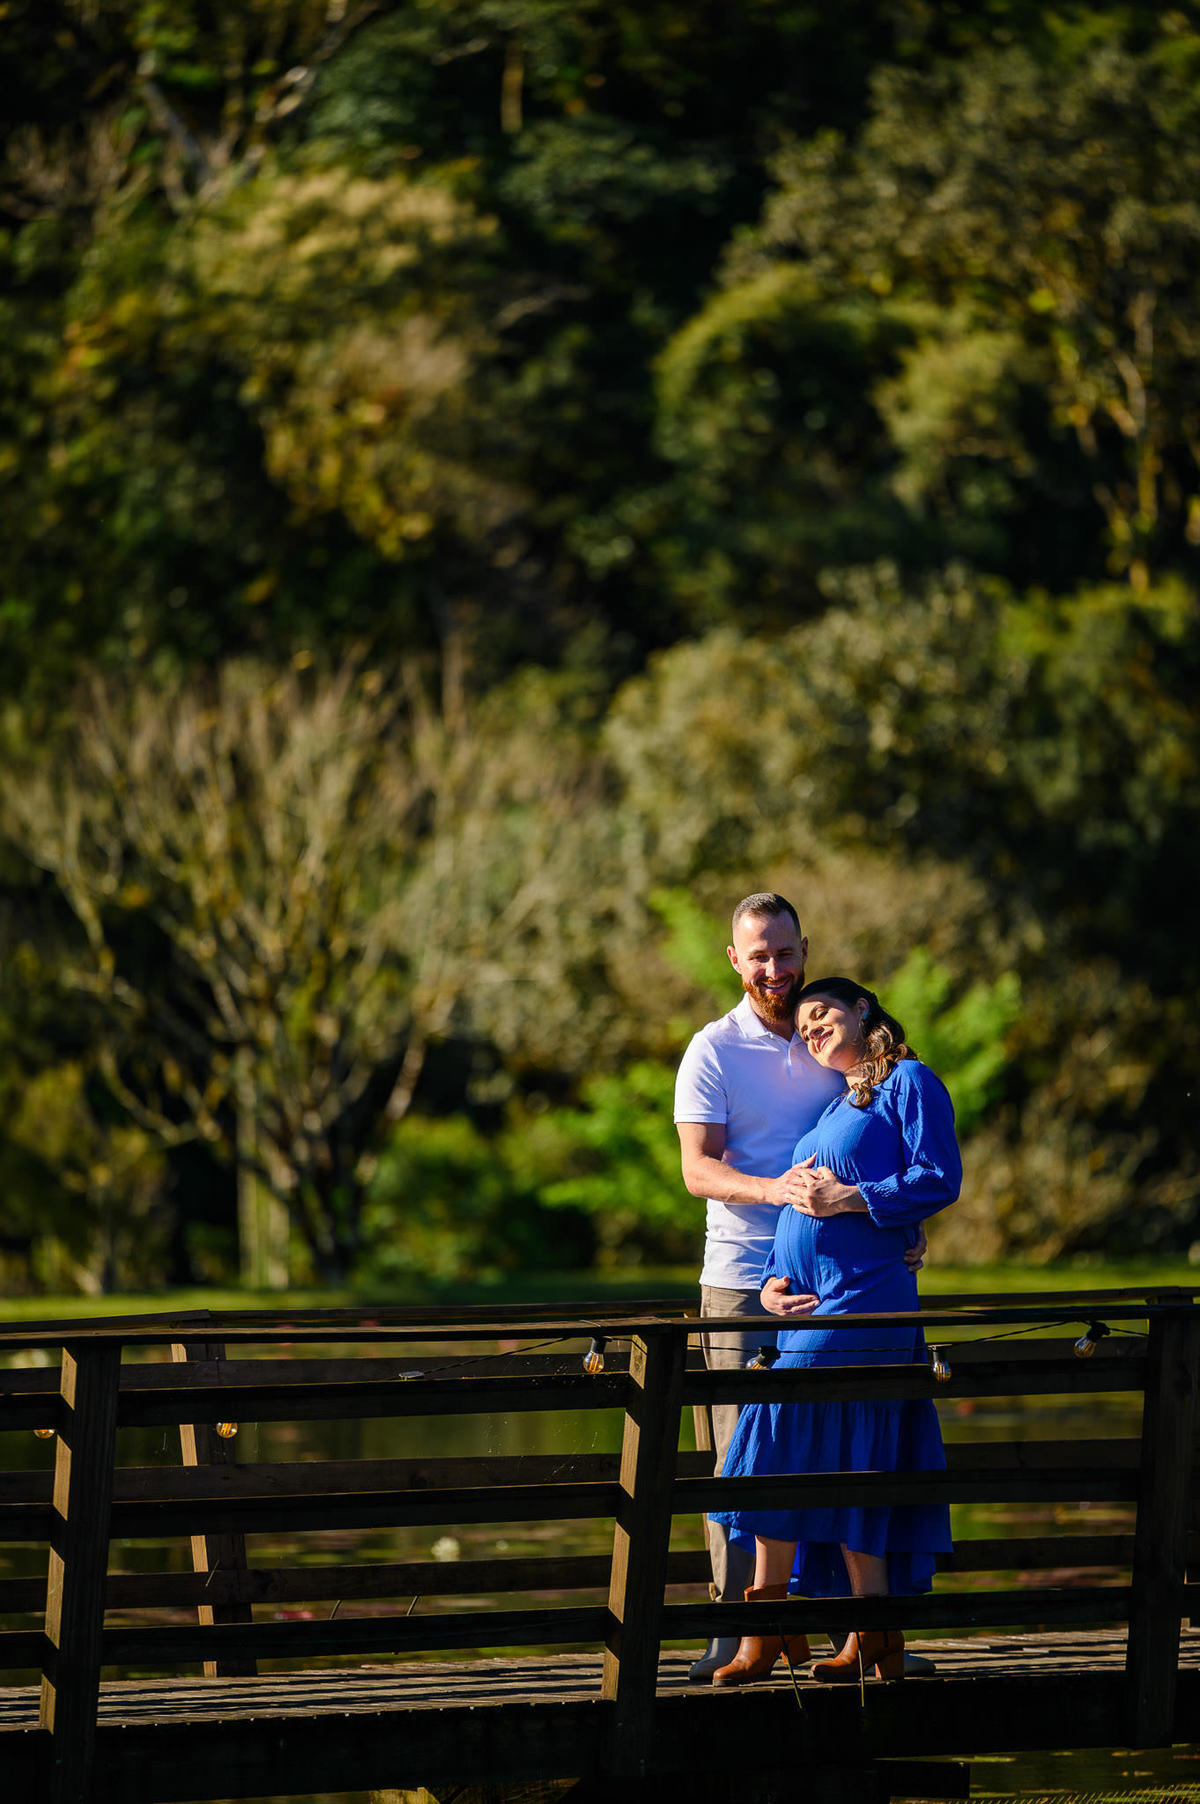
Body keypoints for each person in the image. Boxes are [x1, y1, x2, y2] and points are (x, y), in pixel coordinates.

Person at [674, 897, 925, 1679]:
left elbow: (893, 1151)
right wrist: (775, 1191)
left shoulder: (834, 1044)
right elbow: (697, 1170)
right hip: (745, 1280)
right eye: (759, 956)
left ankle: (847, 1628)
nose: (775, 969)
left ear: (804, 948)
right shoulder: (713, 1049)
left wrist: (902, 1221)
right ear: (734, 960)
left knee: (844, 1451)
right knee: (744, 1456)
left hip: (844, 1289)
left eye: (785, 952)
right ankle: (740, 1630)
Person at [706, 976, 959, 1688]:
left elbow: (939, 1176)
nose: (810, 1025)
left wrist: (857, 1200)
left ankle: (802, 1631)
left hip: (865, 1304)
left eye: (824, 1013)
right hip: (810, 1309)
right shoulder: (839, 1101)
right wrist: (773, 1280)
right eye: (804, 1022)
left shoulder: (908, 1080)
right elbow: (810, 1202)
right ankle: (839, 1633)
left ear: (864, 1011)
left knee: (795, 1446)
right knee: (816, 1458)